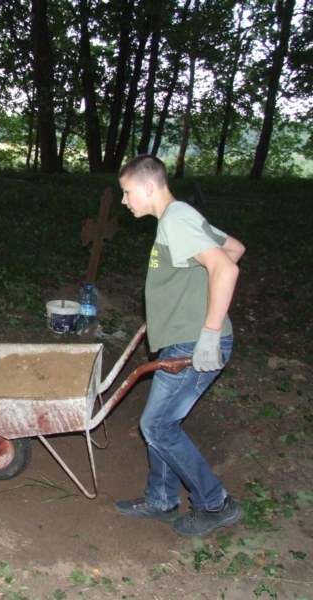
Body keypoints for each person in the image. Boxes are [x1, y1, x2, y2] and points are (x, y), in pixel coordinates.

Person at [115, 155, 246, 536]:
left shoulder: (176, 219)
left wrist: (209, 332)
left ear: (148, 186)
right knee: (162, 422)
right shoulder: (180, 217)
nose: (124, 200)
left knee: (156, 426)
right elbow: (234, 248)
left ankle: (215, 503)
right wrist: (179, 302)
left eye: (127, 192)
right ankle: (161, 499)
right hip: (183, 338)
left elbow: (227, 267)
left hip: (193, 345)